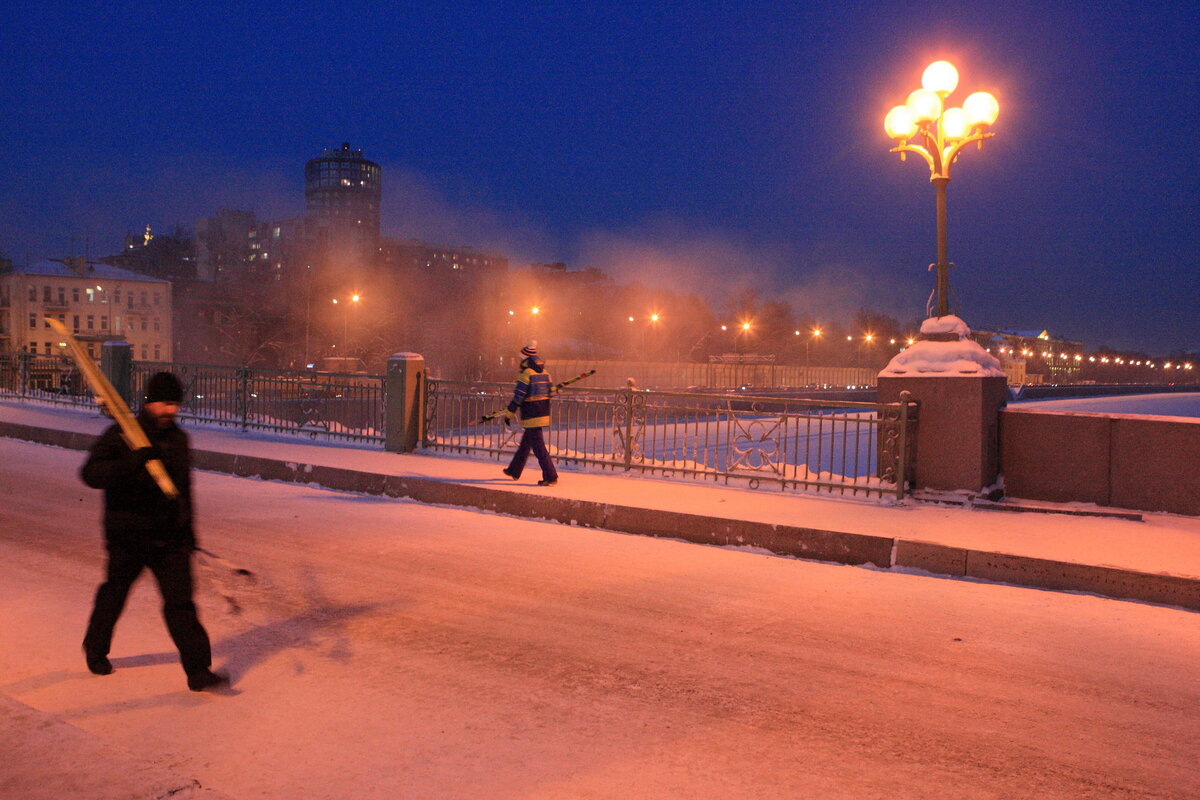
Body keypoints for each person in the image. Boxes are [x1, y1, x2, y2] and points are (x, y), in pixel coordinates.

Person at [80, 371, 228, 692]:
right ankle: (95, 649)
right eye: (164, 403)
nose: (170, 411)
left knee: (181, 604)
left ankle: (198, 671)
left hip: (169, 539)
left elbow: (184, 490)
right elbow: (90, 474)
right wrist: (131, 463)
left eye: (175, 404)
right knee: (114, 596)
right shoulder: (121, 434)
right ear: (149, 402)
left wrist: (189, 532)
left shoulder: (178, 439)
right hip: (128, 535)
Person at [501, 342, 559, 487]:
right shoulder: (546, 374)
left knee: (539, 447)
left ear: (525, 359)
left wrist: (509, 413)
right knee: (526, 444)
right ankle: (514, 470)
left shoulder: (526, 374)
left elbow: (519, 396)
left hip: (531, 415)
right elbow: (552, 392)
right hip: (542, 413)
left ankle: (551, 476)